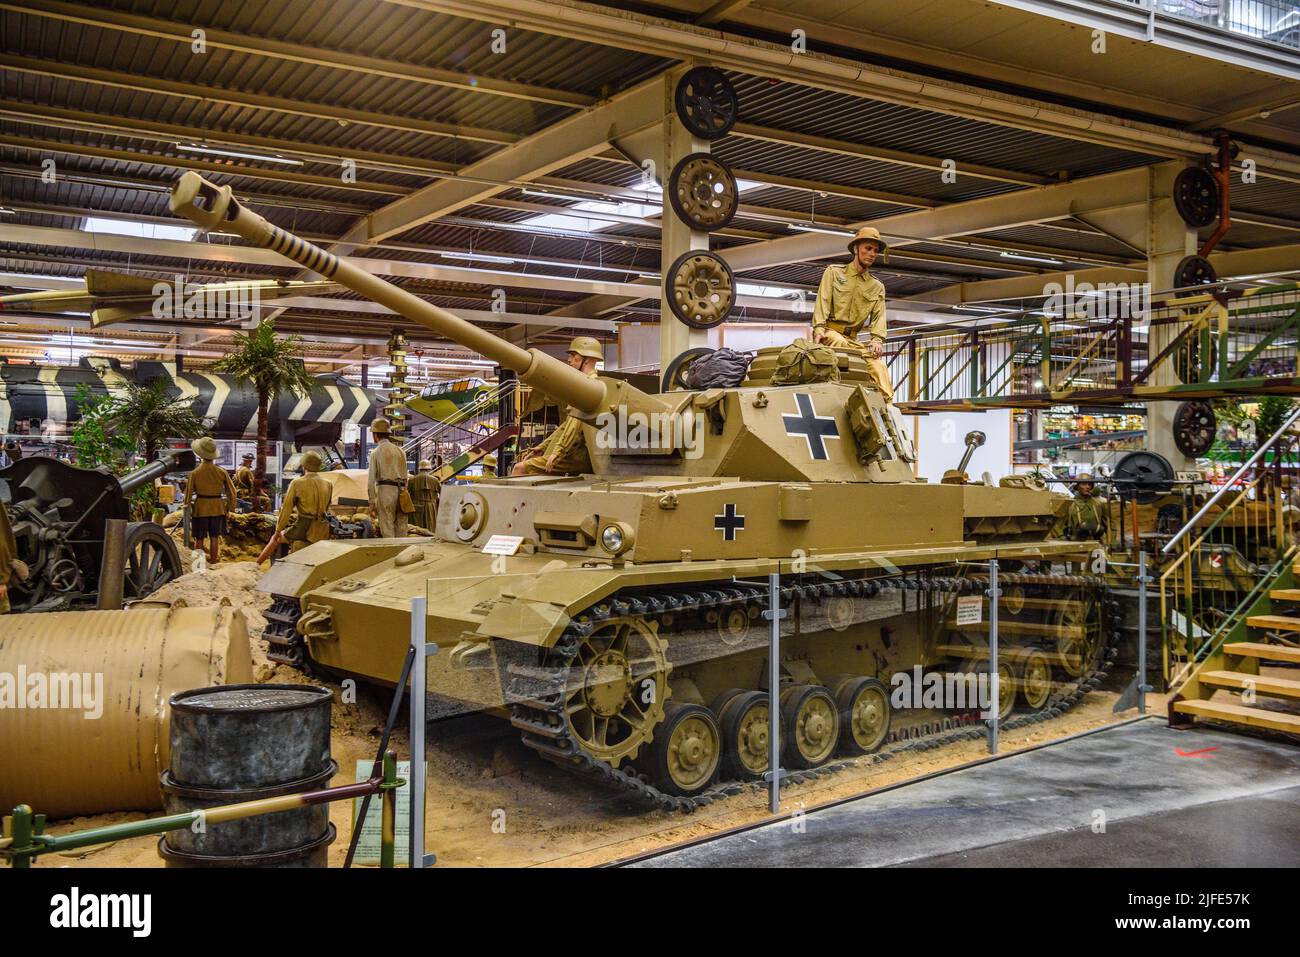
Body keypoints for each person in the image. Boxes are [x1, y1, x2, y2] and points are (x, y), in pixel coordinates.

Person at [810, 226, 894, 402]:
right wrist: (818, 328)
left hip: (854, 341)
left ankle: (886, 407)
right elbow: (823, 301)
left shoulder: (876, 286)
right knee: (840, 344)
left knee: (878, 368)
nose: (872, 254)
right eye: (868, 248)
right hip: (830, 332)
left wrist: (877, 340)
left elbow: (879, 317)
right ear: (856, 249)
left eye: (875, 251)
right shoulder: (834, 272)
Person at [511, 336, 602, 476]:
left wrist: (558, 451)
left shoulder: (590, 387)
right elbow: (566, 425)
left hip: (578, 455)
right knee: (531, 464)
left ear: (587, 359)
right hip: (577, 452)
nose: (569, 360)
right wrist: (543, 447)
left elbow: (575, 424)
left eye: (573, 355)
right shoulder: (588, 385)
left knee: (520, 468)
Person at [184, 436, 238, 565]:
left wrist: (186, 507)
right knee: (215, 537)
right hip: (218, 508)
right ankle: (214, 563)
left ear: (200, 454)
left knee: (199, 539)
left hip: (200, 509)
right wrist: (230, 508)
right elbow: (232, 492)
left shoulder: (194, 473)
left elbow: (188, 494)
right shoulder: (222, 471)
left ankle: (198, 566)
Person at [274, 450, 332, 553]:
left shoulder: (297, 483)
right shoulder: (328, 484)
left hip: (304, 527)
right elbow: (327, 508)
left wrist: (278, 530)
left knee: (276, 539)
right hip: (322, 528)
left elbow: (286, 509)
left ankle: (257, 564)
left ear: (304, 466)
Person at [367, 417, 412, 537]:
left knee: (387, 526)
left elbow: (371, 479)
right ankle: (403, 553)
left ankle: (391, 552)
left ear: (375, 435)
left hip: (385, 491)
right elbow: (406, 476)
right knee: (402, 526)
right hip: (402, 490)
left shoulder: (376, 452)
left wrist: (371, 501)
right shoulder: (400, 451)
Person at [1060, 472, 1109, 541]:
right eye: (1083, 484)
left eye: (1089, 484)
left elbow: (1109, 526)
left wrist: (1112, 544)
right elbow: (1058, 527)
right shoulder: (1070, 505)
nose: (1087, 487)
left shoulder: (1098, 504)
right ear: (1077, 486)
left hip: (1096, 543)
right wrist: (1064, 539)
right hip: (1075, 543)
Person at [408, 458, 441, 534]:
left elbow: (406, 494)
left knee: (416, 527)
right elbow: (442, 494)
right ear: (429, 468)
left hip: (416, 506)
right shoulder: (435, 480)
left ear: (419, 468)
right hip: (431, 507)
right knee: (431, 525)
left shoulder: (412, 480)